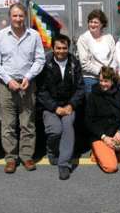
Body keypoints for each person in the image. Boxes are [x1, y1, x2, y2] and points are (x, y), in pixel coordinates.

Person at [0, 3, 45, 173]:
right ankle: (11, 158)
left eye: (21, 16)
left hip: (27, 85)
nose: (18, 19)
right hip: (7, 86)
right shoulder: (0, 36)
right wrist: (8, 81)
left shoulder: (34, 35)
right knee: (8, 124)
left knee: (27, 123)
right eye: (15, 16)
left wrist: (28, 77)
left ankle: (27, 157)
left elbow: (40, 60)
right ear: (9, 17)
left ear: (25, 17)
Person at [36, 34, 85, 180]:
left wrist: (71, 105)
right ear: (53, 48)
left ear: (68, 48)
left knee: (68, 127)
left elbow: (80, 88)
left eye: (64, 48)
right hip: (50, 106)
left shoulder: (74, 63)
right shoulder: (45, 63)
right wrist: (55, 108)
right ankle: (51, 151)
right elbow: (41, 90)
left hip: (68, 105)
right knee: (55, 130)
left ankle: (64, 164)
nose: (61, 51)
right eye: (58, 48)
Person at [77, 9, 116, 94]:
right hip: (91, 79)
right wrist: (102, 72)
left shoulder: (109, 37)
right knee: (93, 106)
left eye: (96, 22)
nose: (92, 24)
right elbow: (84, 63)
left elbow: (114, 57)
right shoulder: (83, 39)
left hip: (109, 79)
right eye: (90, 22)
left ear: (102, 24)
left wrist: (110, 73)